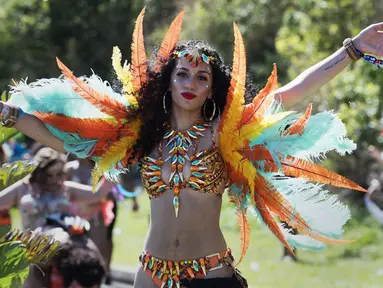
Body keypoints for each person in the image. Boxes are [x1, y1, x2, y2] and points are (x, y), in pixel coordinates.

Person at [0, 9, 379, 287]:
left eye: (202, 77)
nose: (190, 83)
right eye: (182, 73)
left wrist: (352, 49)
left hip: (210, 273)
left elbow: (289, 93)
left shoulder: (223, 133)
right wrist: (9, 114)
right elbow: (70, 142)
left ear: (212, 89)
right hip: (150, 273)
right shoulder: (143, 137)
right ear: (167, 81)